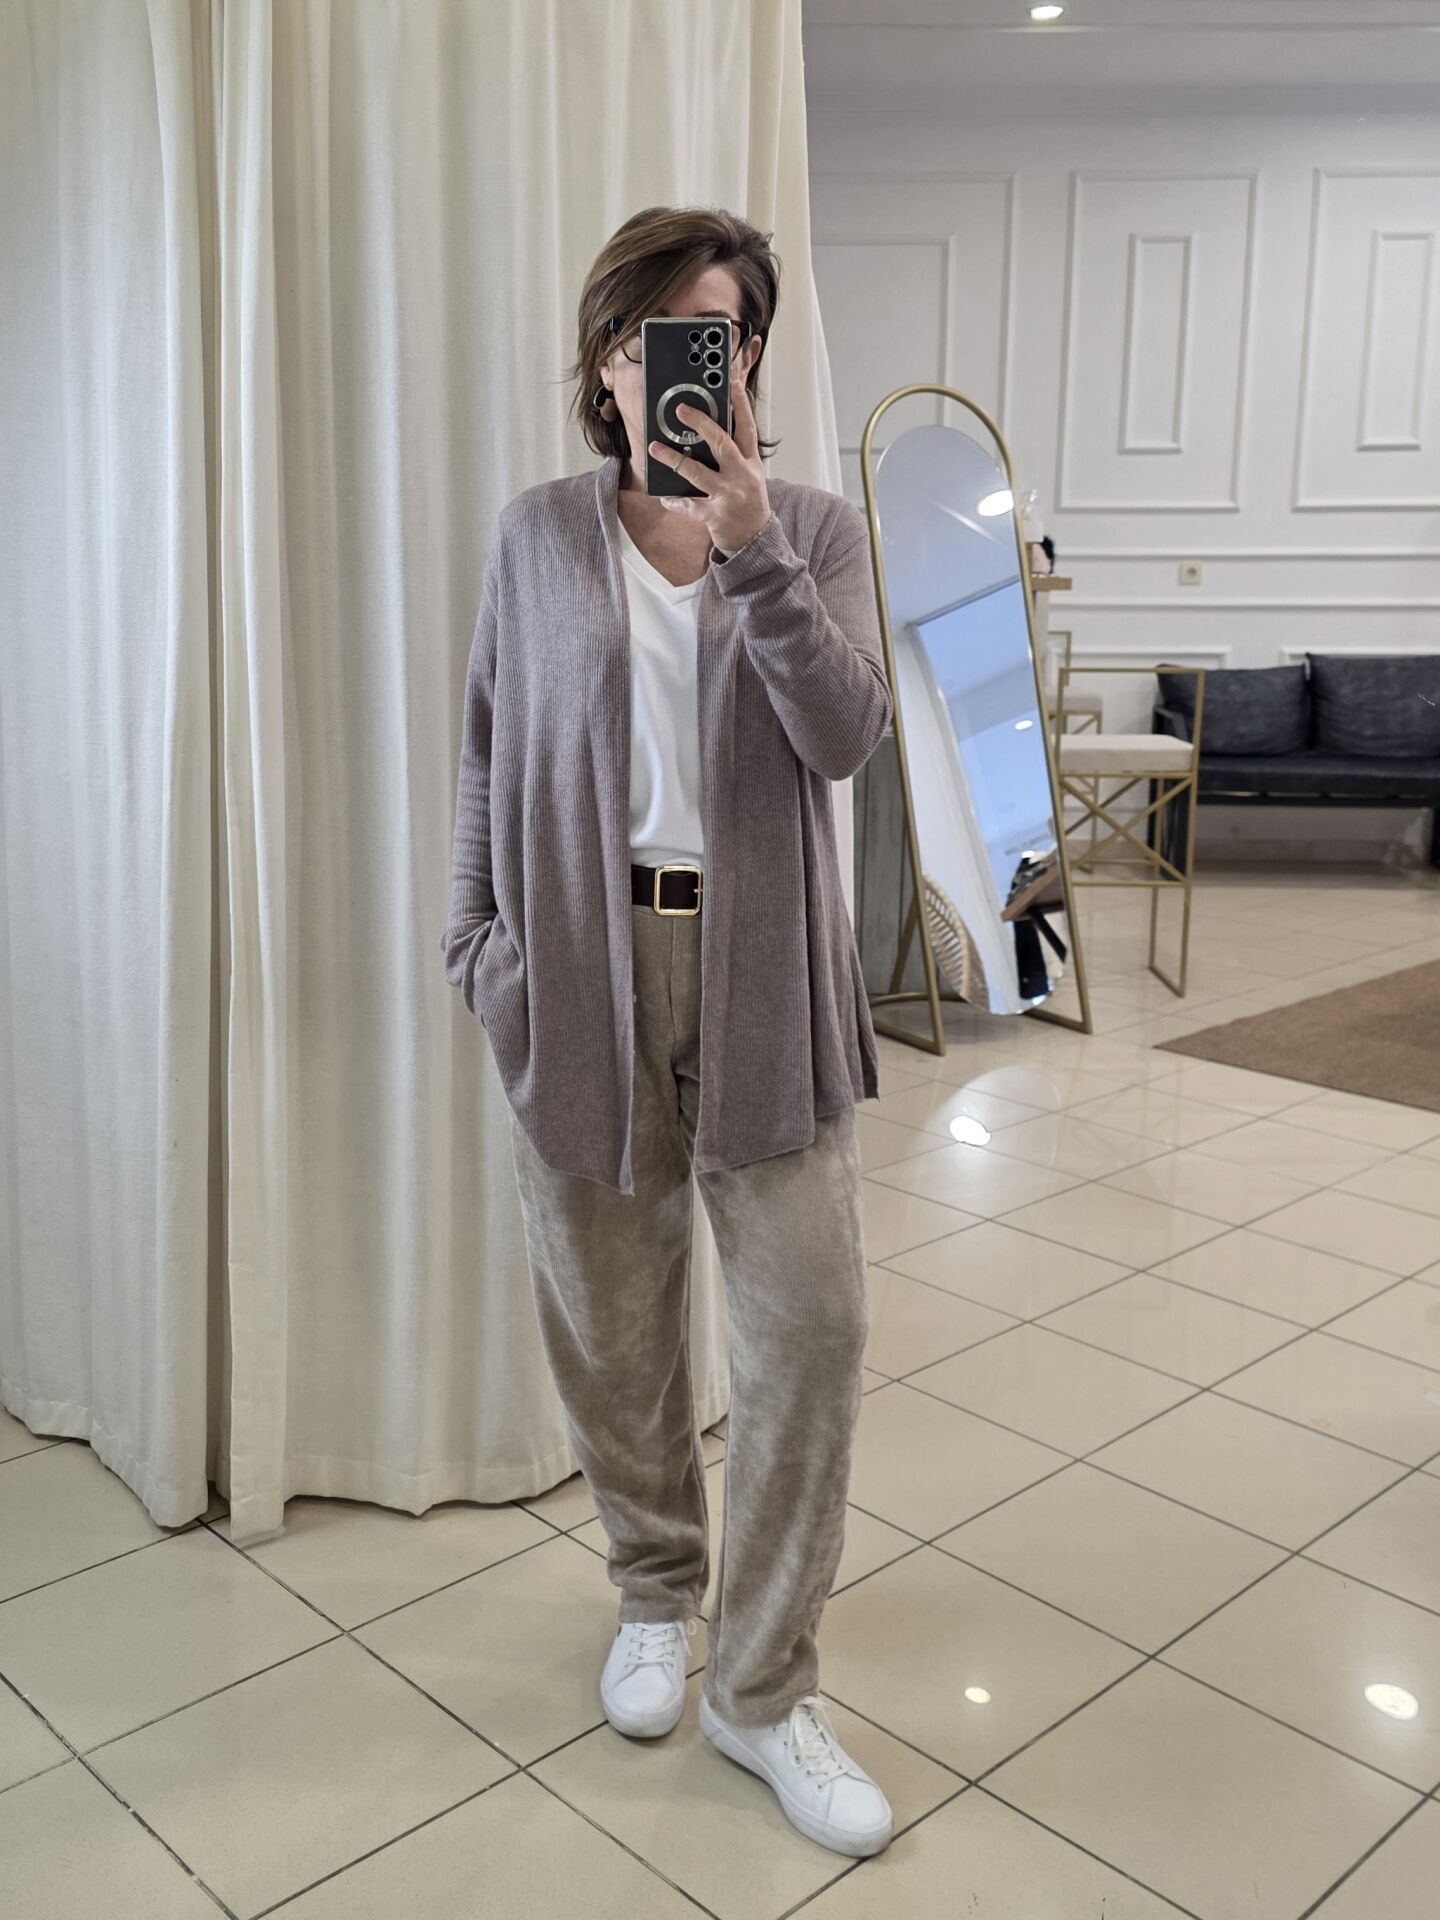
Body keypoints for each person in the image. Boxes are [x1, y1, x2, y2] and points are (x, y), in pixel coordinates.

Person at [440, 205, 895, 1859]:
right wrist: (477, 944)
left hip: (766, 973)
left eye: (716, 335)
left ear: (749, 359)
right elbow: (487, 744)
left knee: (809, 1337)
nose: (685, 363)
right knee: (612, 1327)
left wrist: (753, 543)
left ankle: (761, 1686)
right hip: (577, 966)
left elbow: (844, 738)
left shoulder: (816, 531)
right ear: (607, 360)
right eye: (652, 336)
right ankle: (654, 1590)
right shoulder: (537, 537)